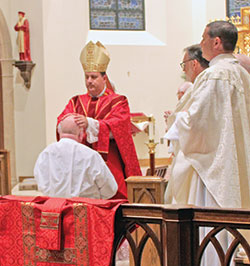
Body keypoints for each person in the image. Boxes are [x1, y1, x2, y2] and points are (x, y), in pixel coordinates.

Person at [165, 21, 250, 265]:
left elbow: (198, 122)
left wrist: (176, 120)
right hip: (236, 163)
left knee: (211, 226)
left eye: (204, 38)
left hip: (211, 167)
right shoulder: (243, 74)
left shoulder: (214, 75)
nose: (201, 42)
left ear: (216, 42)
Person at [57, 41, 142, 200]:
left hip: (109, 161)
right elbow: (61, 122)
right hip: (80, 165)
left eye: (94, 77)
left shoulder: (118, 101)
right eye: (87, 77)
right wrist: (69, 123)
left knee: (113, 200)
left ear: (104, 78)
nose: (89, 81)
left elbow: (120, 126)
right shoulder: (76, 101)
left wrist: (90, 124)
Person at [34, 115, 118, 199]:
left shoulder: (46, 153)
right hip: (85, 208)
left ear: (59, 131)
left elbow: (40, 182)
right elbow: (110, 189)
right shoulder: (91, 156)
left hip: (55, 208)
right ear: (81, 134)